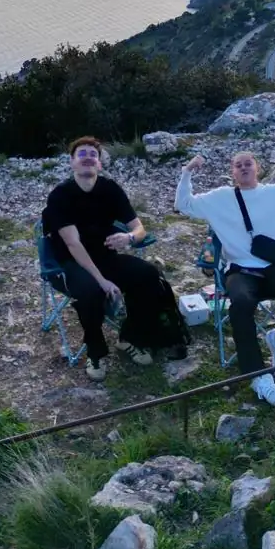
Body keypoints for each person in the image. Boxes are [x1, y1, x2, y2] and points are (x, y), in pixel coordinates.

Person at [176, 147, 275, 407]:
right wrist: (187, 172)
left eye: (248, 163)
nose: (243, 167)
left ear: (258, 168)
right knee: (241, 302)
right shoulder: (219, 198)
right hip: (240, 270)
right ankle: (257, 374)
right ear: (232, 172)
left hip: (273, 268)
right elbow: (183, 204)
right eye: (238, 165)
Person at [42, 136, 178, 381]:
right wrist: (102, 280)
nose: (88, 158)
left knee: (148, 274)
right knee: (90, 291)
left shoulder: (110, 189)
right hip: (70, 264)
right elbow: (73, 244)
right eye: (81, 154)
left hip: (106, 256)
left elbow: (139, 228)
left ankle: (130, 338)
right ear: (72, 163)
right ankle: (96, 352)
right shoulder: (60, 196)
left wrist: (129, 239)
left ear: (100, 164)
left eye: (93, 155)